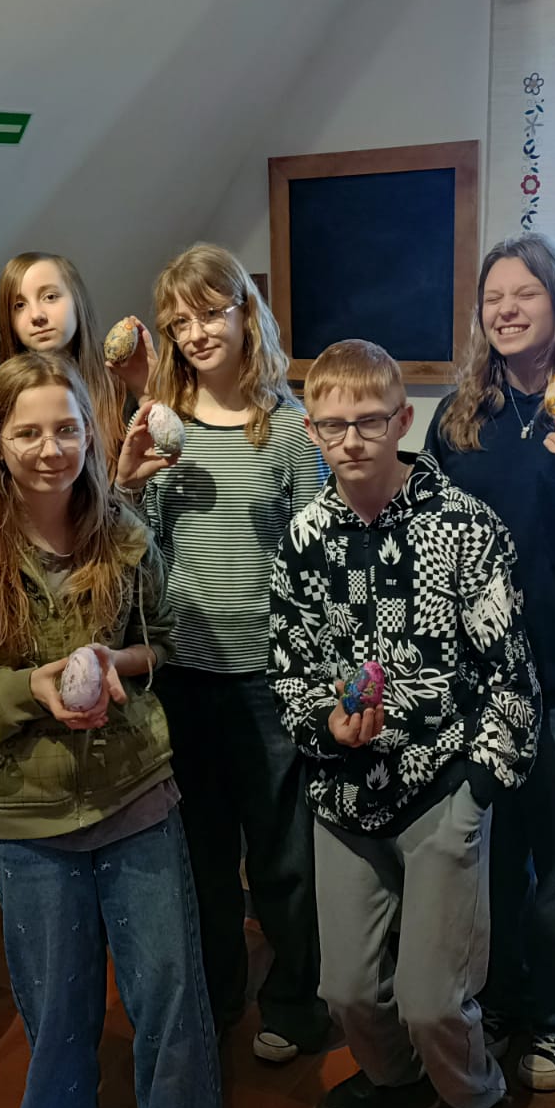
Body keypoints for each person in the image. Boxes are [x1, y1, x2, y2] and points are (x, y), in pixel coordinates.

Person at [0, 351, 220, 1108]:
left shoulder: (123, 534)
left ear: (89, 432)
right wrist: (28, 690)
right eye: (27, 433)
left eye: (68, 429)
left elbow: (166, 640)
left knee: (172, 1002)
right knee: (58, 1018)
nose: (51, 449)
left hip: (136, 795)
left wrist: (117, 662)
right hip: (28, 818)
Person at [269, 339, 540, 1108]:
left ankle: (473, 1096)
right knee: (346, 989)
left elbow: (511, 675)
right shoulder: (302, 540)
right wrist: (325, 725)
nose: (351, 440)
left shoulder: (463, 527)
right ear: (312, 431)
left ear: (401, 422)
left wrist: (478, 783)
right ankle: (394, 1078)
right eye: (332, 425)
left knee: (432, 999)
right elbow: (287, 667)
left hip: (442, 786)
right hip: (342, 793)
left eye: (369, 422)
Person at [116, 242, 330, 1063]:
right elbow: (136, 555)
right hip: (185, 674)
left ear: (246, 312)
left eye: (210, 312)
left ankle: (296, 1002)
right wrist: (129, 485)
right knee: (204, 856)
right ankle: (216, 993)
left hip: (271, 677)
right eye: (180, 321)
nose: (197, 332)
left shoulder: (288, 429)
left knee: (283, 856)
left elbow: (315, 555)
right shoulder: (158, 427)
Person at [424, 232, 555, 1090]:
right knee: (494, 856)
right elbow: (433, 541)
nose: (506, 310)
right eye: (493, 297)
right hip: (481, 680)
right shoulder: (459, 417)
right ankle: (500, 992)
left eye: (525, 294)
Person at [0, 251, 151, 509]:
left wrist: (148, 394)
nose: (37, 315)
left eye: (50, 297)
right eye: (19, 305)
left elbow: (161, 499)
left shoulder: (122, 387)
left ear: (77, 301)